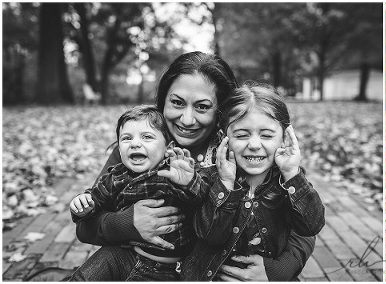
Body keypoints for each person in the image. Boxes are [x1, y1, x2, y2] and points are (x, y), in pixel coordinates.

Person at [74, 51, 315, 281]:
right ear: (163, 100)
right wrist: (127, 223)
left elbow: (301, 224)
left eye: (202, 107)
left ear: (221, 110)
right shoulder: (137, 152)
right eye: (177, 102)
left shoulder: (238, 151)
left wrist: (278, 271)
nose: (187, 120)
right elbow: (85, 225)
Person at [186, 83, 325, 281]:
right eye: (242, 135)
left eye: (267, 135)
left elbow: (312, 226)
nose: (253, 145)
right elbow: (210, 235)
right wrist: (225, 183)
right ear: (224, 137)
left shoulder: (288, 181)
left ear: (284, 138)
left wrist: (292, 173)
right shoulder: (209, 179)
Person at [69, 105, 205, 280]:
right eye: (126, 138)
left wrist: (189, 183)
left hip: (168, 269)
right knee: (83, 277)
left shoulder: (173, 173)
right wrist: (83, 204)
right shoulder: (116, 176)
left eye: (147, 137)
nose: (134, 143)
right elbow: (95, 199)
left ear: (168, 148)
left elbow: (198, 198)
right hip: (124, 255)